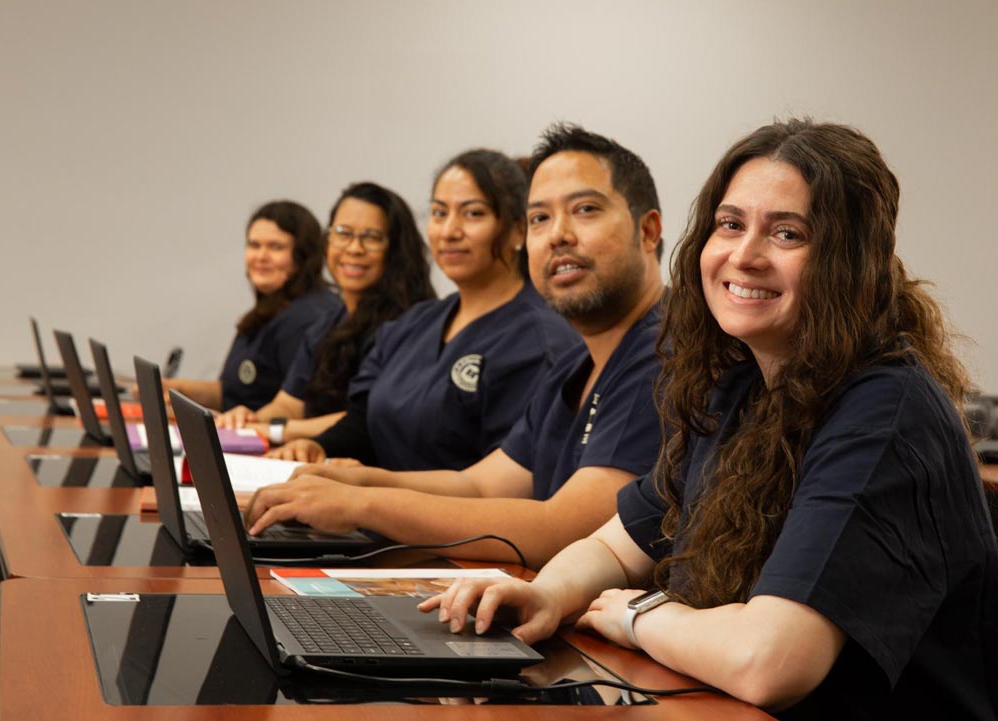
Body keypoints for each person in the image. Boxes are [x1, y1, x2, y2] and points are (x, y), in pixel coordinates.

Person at [423, 120, 998, 719]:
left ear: (849, 260)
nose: (744, 255)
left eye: (787, 233)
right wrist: (546, 594)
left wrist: (639, 615)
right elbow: (625, 537)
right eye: (730, 224)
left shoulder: (885, 411)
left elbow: (770, 663)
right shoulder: (741, 380)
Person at [246, 124, 667, 568]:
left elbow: (565, 530)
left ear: (648, 230)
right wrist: (354, 481)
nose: (558, 233)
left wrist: (362, 505)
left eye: (584, 209)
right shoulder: (577, 362)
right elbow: (481, 486)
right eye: (540, 217)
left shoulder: (660, 356)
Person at [268, 149, 580, 470]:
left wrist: (371, 492)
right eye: (439, 213)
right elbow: (365, 419)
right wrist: (316, 447)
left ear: (518, 229)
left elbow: (503, 485)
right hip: (370, 510)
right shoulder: (414, 323)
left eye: (473, 214)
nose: (449, 231)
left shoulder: (539, 342)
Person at [215, 183, 435, 445]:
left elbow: (363, 420)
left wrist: (274, 430)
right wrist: (248, 421)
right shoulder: (328, 322)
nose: (354, 249)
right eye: (343, 233)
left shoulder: (411, 324)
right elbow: (287, 405)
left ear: (396, 249)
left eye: (372, 237)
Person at [165, 200, 341, 411]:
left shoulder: (310, 316)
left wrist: (248, 423)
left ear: (303, 255)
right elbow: (236, 393)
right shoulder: (269, 310)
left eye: (276, 247)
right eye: (254, 245)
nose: (261, 257)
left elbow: (297, 409)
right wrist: (175, 389)